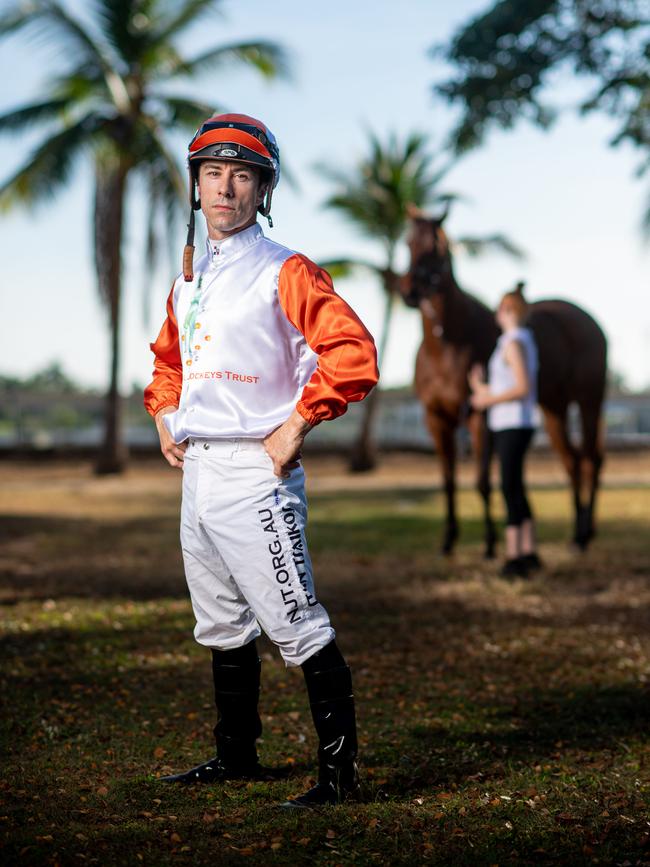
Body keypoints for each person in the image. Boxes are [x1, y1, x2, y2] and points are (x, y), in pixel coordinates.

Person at [143, 113, 379, 808]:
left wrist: (298, 423)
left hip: (258, 472)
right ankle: (235, 755)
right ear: (196, 185)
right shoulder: (189, 281)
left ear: (262, 189)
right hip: (199, 474)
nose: (225, 188)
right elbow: (168, 361)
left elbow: (352, 354)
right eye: (212, 173)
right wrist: (164, 412)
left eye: (241, 175)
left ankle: (341, 775)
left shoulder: (287, 269)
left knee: (297, 621)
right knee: (219, 620)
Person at [469, 285, 540, 578]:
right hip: (514, 422)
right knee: (516, 486)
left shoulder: (512, 343)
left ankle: (515, 557)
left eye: (500, 309)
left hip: (512, 423)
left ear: (509, 311)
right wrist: (480, 388)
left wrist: (486, 399)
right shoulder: (521, 340)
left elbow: (522, 388)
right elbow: (509, 385)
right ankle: (529, 551)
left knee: (510, 488)